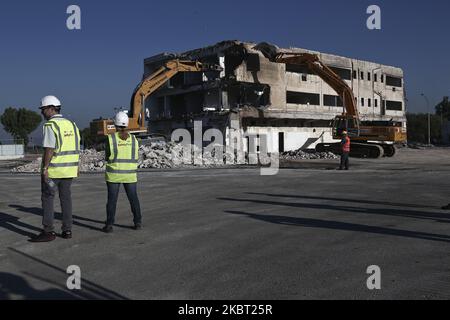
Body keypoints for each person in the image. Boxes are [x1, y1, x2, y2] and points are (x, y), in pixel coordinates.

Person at [30, 96, 80, 242]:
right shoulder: (72, 124)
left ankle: (48, 232)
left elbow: (49, 149)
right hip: (69, 169)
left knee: (47, 199)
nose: (42, 113)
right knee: (66, 199)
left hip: (54, 171)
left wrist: (45, 168)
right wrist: (77, 166)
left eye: (43, 109)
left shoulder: (50, 125)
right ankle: (67, 230)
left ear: (51, 108)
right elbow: (77, 147)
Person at [102, 112, 142, 233]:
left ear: (115, 124)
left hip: (114, 175)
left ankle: (109, 225)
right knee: (133, 199)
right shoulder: (134, 139)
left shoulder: (110, 138)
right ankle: (138, 222)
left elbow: (107, 156)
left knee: (112, 201)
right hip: (130, 175)